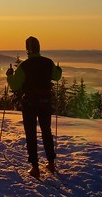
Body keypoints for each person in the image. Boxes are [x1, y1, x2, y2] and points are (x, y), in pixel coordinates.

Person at [6, 36, 62, 178]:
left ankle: (35, 167)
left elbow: (14, 85)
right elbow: (57, 77)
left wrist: (10, 76)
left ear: (27, 49)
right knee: (46, 131)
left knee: (31, 133)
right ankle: (51, 163)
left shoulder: (24, 66)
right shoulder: (47, 62)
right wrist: (58, 69)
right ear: (39, 47)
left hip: (29, 103)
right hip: (45, 102)